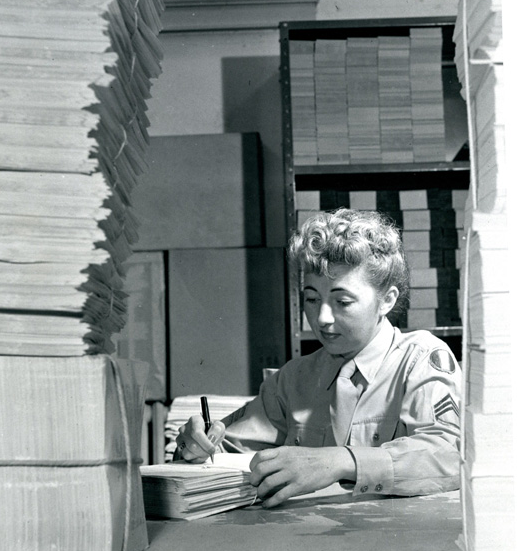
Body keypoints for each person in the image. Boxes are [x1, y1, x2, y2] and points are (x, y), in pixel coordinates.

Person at [175, 208, 461, 508]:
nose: (322, 318)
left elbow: (449, 455)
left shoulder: (421, 359)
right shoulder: (293, 379)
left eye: (342, 302)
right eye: (312, 299)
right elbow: (225, 453)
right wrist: (195, 447)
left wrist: (340, 461)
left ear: (387, 300)